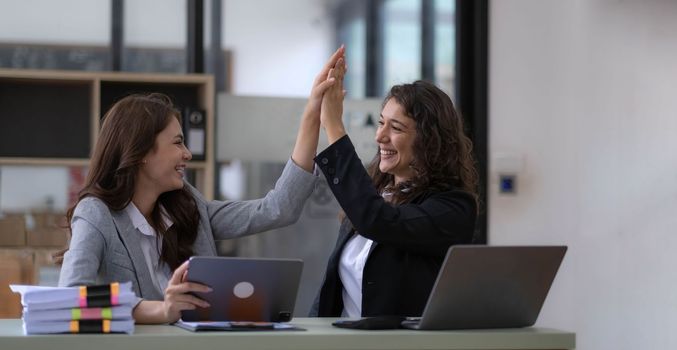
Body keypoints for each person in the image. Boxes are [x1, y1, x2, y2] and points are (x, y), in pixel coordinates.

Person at [57, 47, 347, 324]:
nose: (187, 154)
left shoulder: (188, 206)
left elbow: (278, 209)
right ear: (142, 152)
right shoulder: (97, 214)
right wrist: (160, 310)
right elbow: (72, 297)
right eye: (177, 142)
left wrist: (311, 115)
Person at [309, 66, 479, 317]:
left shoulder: (454, 208)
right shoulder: (375, 195)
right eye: (380, 123)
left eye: (396, 128)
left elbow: (378, 220)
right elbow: (333, 291)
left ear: (429, 140)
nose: (380, 136)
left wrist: (334, 126)